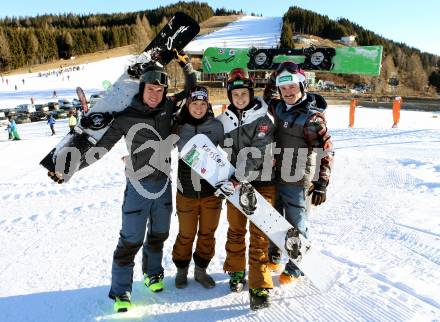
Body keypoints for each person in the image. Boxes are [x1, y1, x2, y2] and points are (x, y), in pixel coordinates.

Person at [48, 51, 195, 313]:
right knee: (131, 239)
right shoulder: (125, 117)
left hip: (163, 185)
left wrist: (185, 64)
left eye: (160, 90)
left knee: (159, 234)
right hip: (138, 187)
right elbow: (99, 149)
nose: (155, 94)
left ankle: (153, 274)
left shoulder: (168, 109)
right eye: (151, 88)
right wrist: (67, 169)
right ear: (142, 88)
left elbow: (193, 90)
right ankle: (121, 291)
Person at [265, 61, 334, 285]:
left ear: (302, 86)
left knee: (297, 225)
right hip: (277, 175)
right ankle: (274, 256)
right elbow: (267, 98)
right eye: (283, 88)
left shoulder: (313, 119)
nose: (287, 92)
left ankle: (296, 267)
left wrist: (322, 184)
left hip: (298, 180)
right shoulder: (279, 107)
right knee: (274, 220)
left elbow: (327, 150)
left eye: (292, 87)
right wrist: (272, 77)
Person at [216, 68, 276, 310]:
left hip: (262, 183)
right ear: (230, 96)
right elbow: (205, 140)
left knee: (260, 236)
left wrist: (236, 180)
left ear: (251, 92)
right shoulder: (223, 122)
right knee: (236, 230)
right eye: (235, 94)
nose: (240, 98)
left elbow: (258, 154)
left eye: (244, 93)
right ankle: (236, 270)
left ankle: (259, 283)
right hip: (236, 184)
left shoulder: (263, 120)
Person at [172, 85, 224, 290]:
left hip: (212, 191)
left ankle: (201, 270)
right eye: (195, 103)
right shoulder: (178, 125)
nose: (199, 108)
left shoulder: (216, 126)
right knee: (185, 234)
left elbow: (230, 149)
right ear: (188, 104)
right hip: (186, 191)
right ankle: (181, 269)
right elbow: (160, 144)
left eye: (203, 104)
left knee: (207, 233)